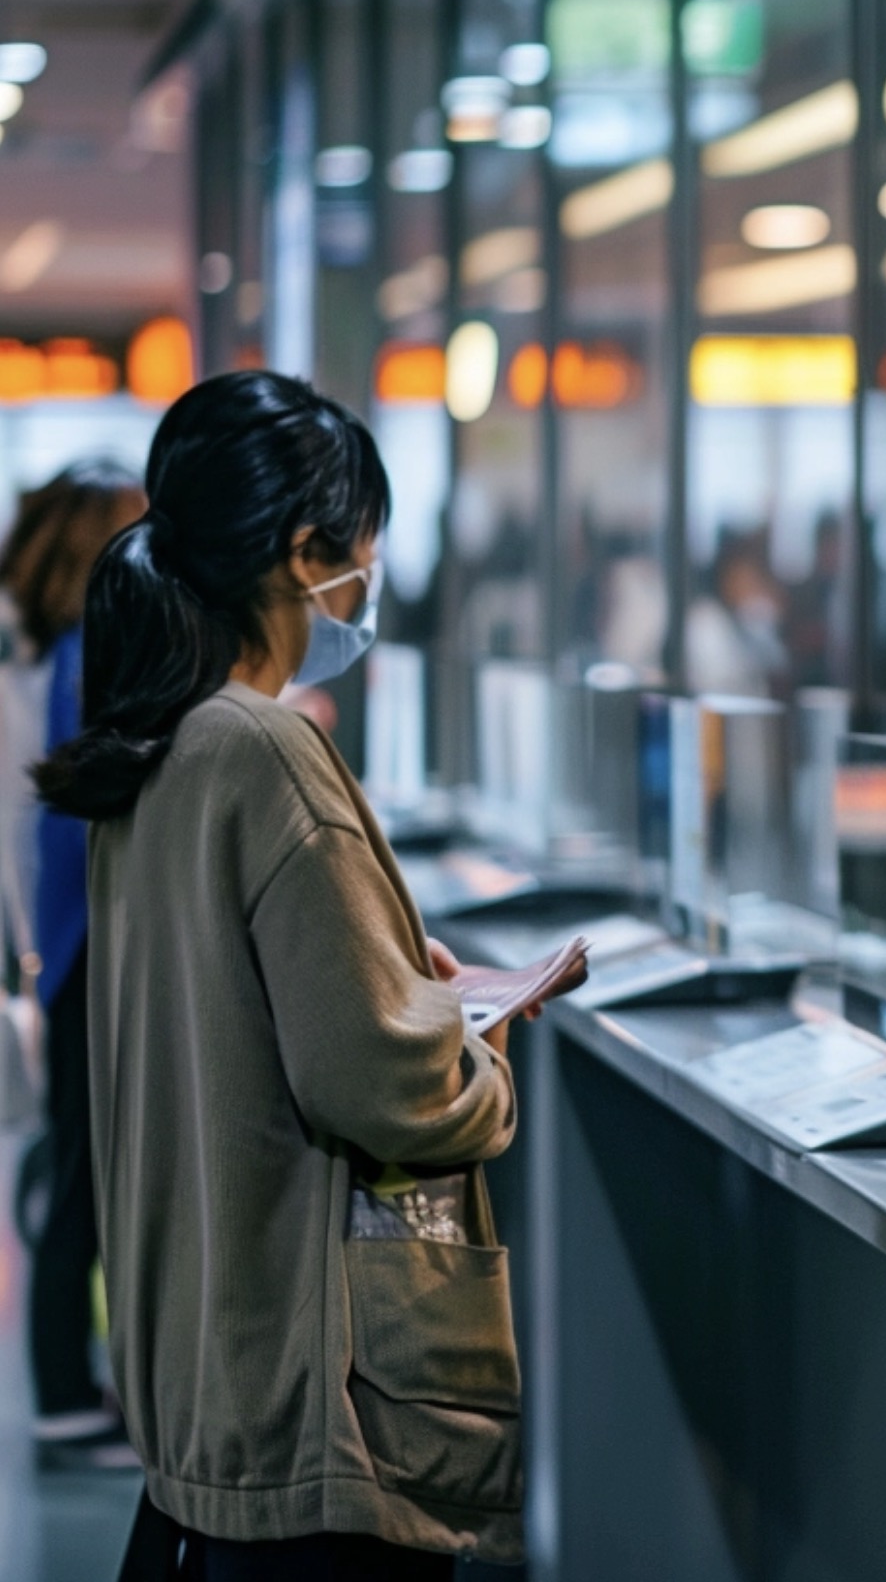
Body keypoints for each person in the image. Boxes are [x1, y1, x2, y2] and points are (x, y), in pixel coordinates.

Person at [38, 373, 580, 1578]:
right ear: (303, 553)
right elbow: (387, 1089)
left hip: (202, 1364)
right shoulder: (269, 748)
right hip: (312, 1393)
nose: (369, 579)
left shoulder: (165, 735)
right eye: (364, 546)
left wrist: (388, 973)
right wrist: (472, 1042)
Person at [0, 463, 145, 1464]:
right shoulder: (77, 664)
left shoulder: (34, 653)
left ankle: (68, 1380)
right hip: (82, 943)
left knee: (75, 1163)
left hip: (54, 944)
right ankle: (62, 1389)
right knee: (88, 1172)